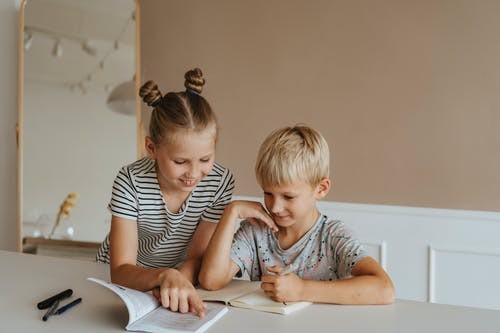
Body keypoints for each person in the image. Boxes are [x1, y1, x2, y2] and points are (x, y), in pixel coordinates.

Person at [199, 125, 394, 305]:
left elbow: (384, 289)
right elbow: (211, 280)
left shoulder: (333, 236)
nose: (275, 207)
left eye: (288, 197)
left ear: (321, 189)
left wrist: (301, 290)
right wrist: (231, 211)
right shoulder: (255, 231)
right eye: (268, 193)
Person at [96, 68, 234, 316]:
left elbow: (196, 257)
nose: (193, 173)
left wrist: (175, 282)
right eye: (180, 162)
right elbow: (120, 269)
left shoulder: (220, 182)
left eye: (205, 159)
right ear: (152, 147)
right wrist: (164, 278)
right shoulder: (130, 181)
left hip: (177, 278)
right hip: (126, 278)